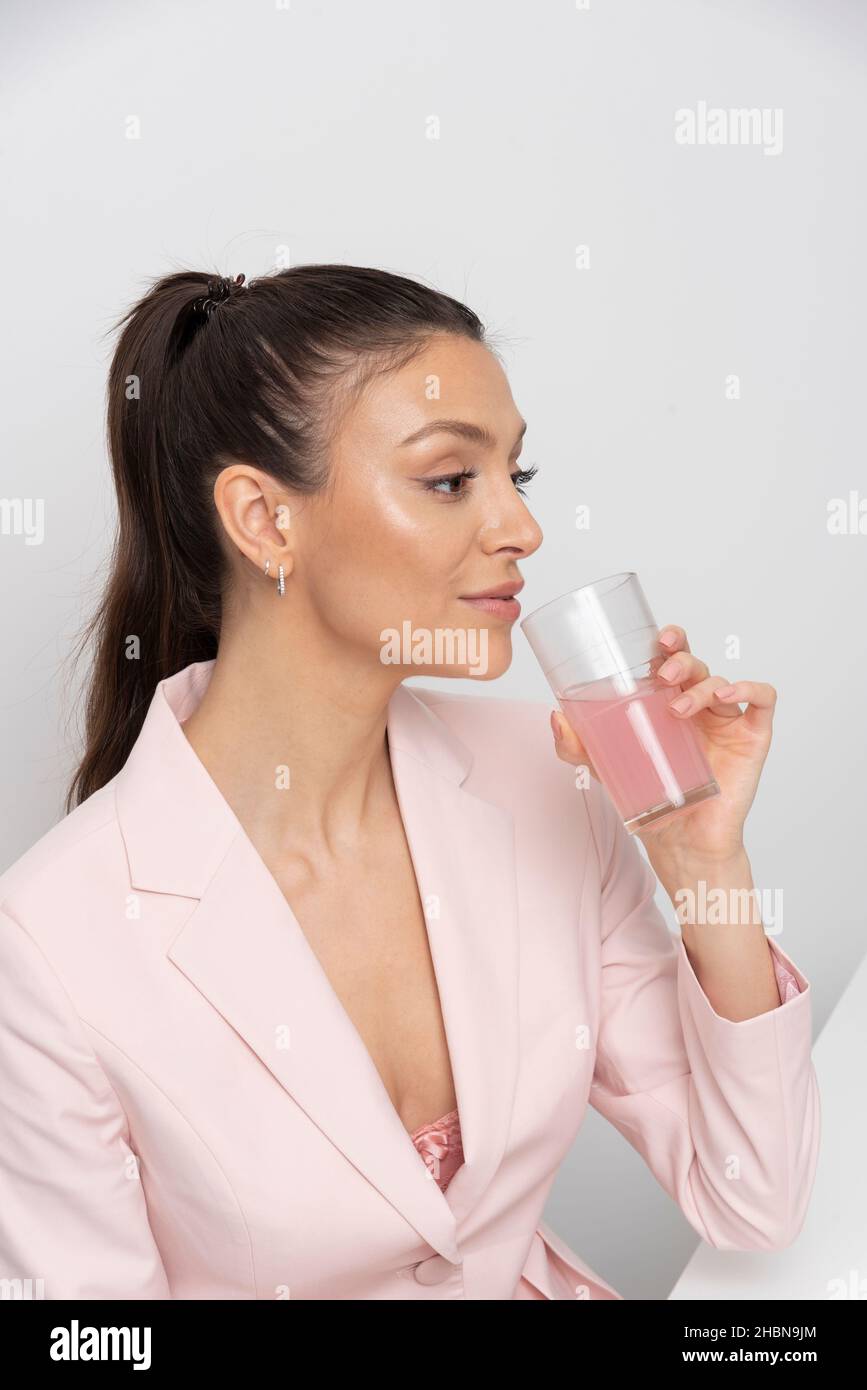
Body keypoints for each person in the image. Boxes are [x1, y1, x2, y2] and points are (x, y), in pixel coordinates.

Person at [0, 264, 819, 1300]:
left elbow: (755, 1196)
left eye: (515, 478)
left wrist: (702, 864)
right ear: (263, 520)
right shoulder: (52, 943)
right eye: (447, 479)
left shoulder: (544, 781)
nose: (521, 530)